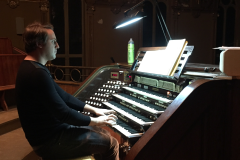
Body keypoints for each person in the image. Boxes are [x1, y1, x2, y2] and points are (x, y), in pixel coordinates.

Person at [15, 22, 119, 160]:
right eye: (54, 41)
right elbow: (64, 114)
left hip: (50, 135)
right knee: (111, 143)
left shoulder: (33, 67)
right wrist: (98, 121)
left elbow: (65, 97)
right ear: (39, 44)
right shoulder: (36, 73)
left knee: (101, 132)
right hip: (49, 142)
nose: (58, 46)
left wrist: (95, 110)